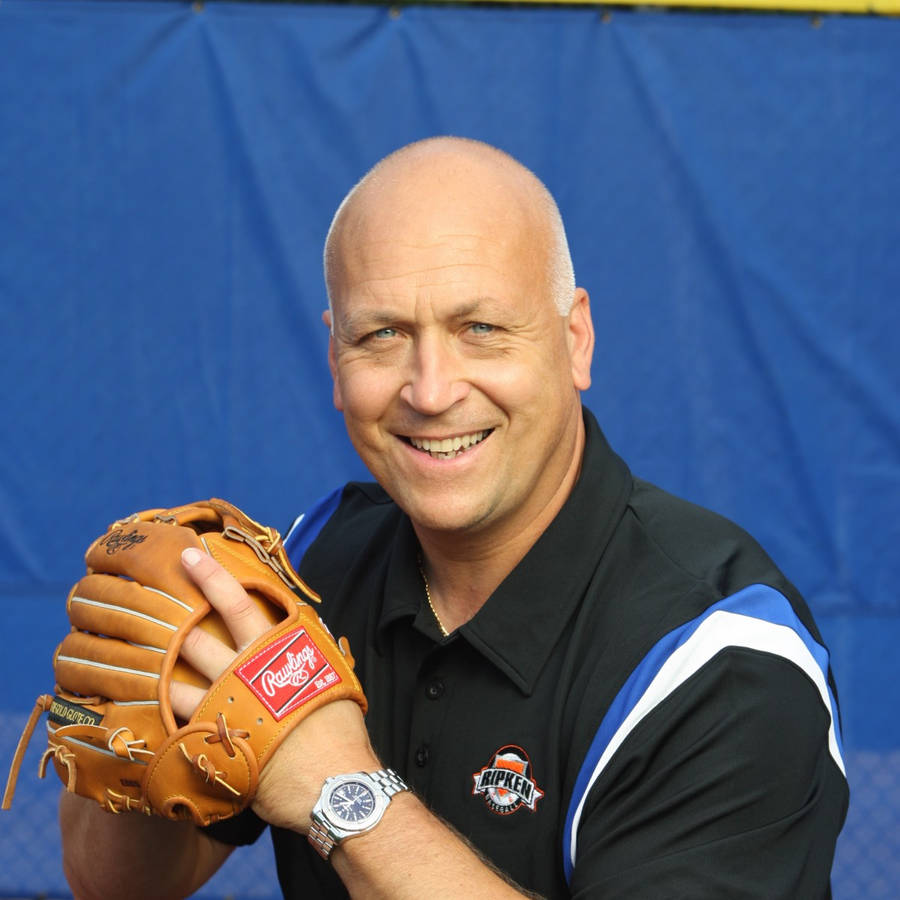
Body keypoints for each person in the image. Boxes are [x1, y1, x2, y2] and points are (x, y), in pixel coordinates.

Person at [59, 136, 848, 899]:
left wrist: (337, 786)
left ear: (575, 340)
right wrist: (132, 725)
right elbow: (114, 883)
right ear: (336, 361)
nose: (432, 390)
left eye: (481, 329)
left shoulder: (723, 659)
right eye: (384, 335)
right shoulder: (310, 564)